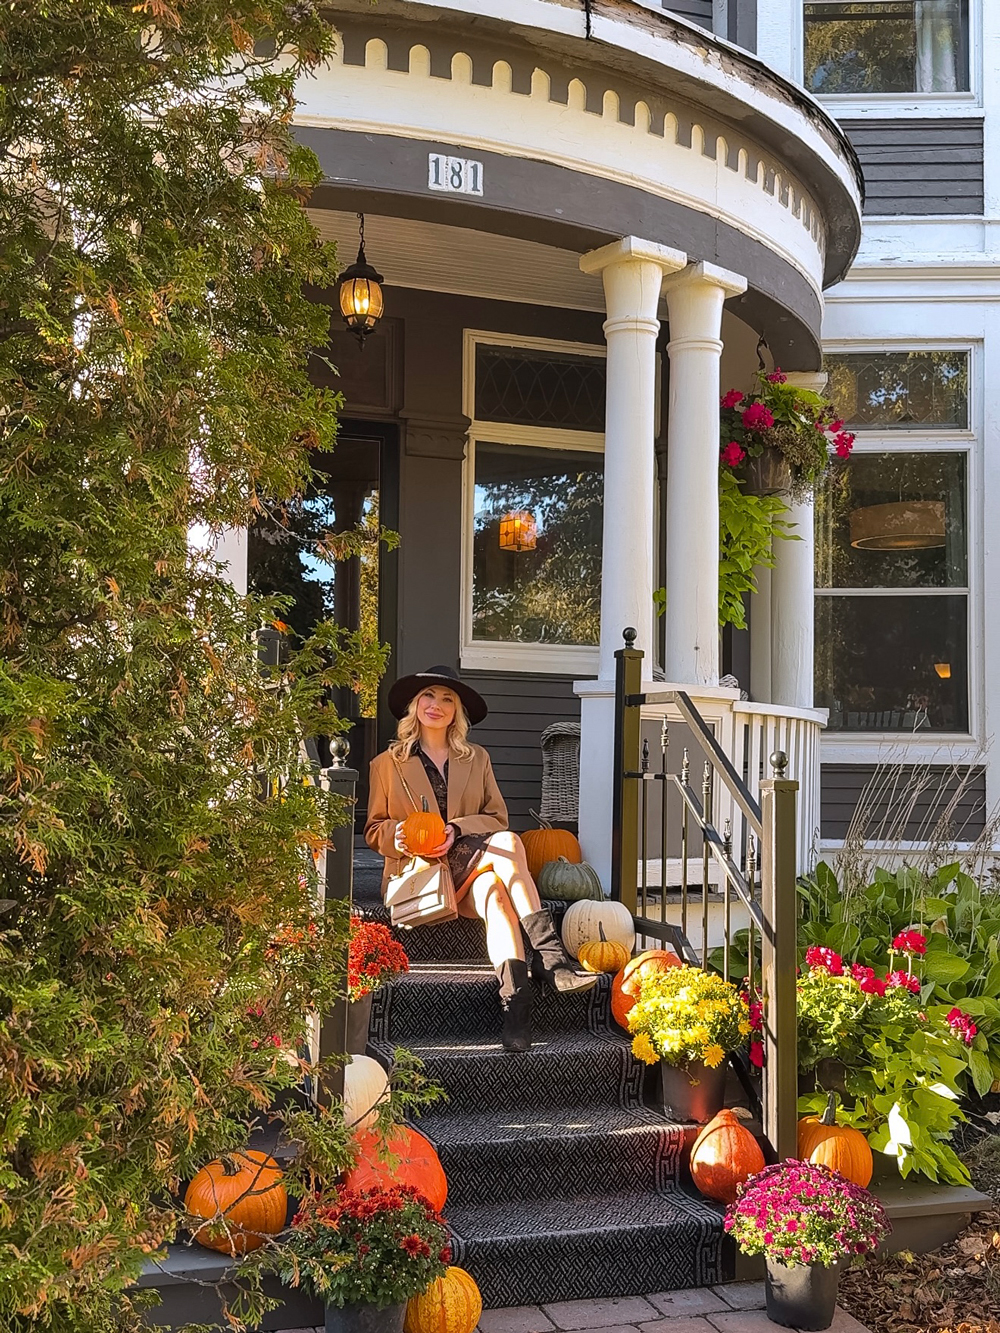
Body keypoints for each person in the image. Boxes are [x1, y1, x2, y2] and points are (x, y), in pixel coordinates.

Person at [365, 664, 595, 1053]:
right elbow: (374, 829)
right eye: (428, 696)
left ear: (457, 712)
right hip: (420, 875)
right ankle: (552, 959)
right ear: (414, 705)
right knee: (509, 845)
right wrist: (400, 836)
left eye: (447, 699)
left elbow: (496, 817)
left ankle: (516, 1007)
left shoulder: (477, 759)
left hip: (472, 870)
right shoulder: (387, 764)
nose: (435, 705)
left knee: (496, 892)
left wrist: (455, 828)